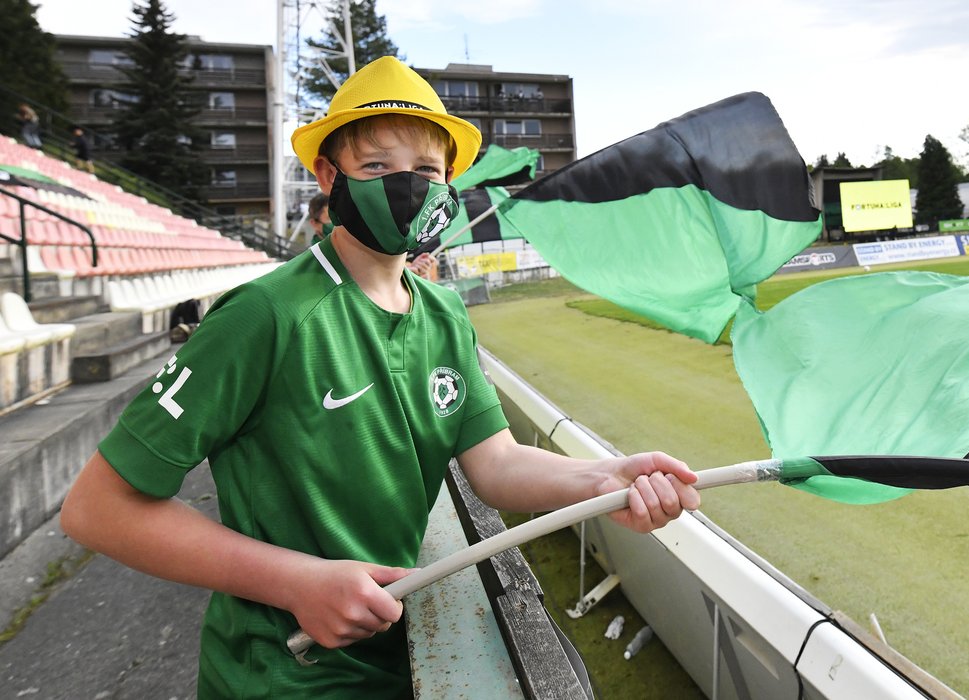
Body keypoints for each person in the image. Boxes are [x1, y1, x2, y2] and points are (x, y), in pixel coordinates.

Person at [60, 56, 700, 699]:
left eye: (426, 170)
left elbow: (496, 464)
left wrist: (602, 479)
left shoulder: (445, 314)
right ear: (327, 177)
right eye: (376, 168)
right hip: (282, 674)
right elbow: (97, 510)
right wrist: (297, 582)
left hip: (403, 659)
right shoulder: (264, 315)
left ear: (449, 184)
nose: (407, 186)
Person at [308, 189, 435, 277]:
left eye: (342, 215)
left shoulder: (360, 244)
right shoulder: (315, 261)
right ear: (314, 223)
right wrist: (405, 273)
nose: (340, 223)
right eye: (331, 218)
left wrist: (409, 271)